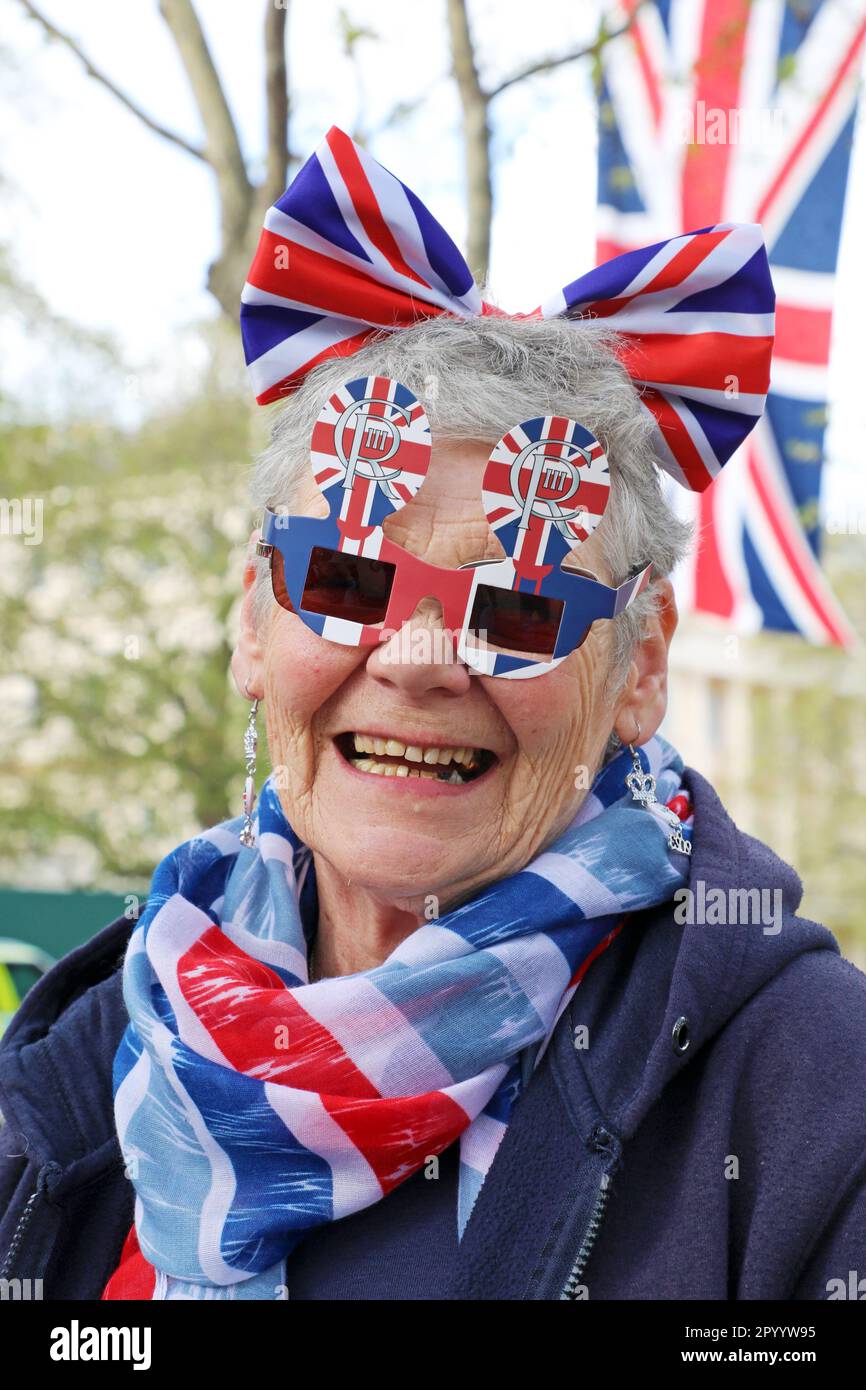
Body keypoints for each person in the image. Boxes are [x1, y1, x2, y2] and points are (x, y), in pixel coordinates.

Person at [1, 128, 864, 1303]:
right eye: (347, 579)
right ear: (253, 624)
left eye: (514, 605)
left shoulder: (813, 1099)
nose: (416, 659)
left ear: (641, 665)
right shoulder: (83, 1053)